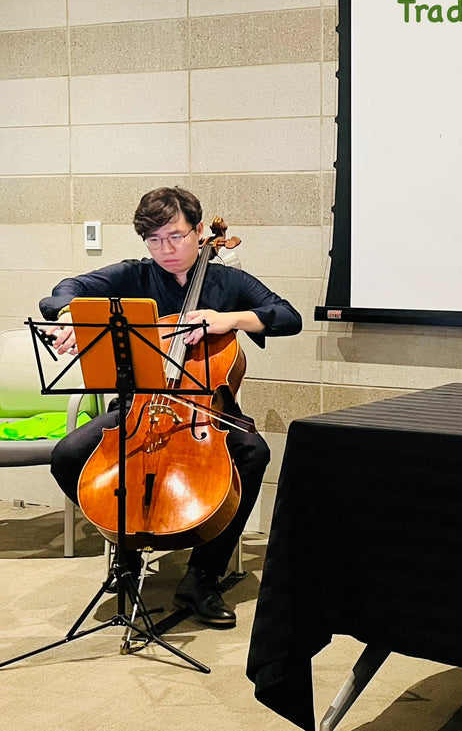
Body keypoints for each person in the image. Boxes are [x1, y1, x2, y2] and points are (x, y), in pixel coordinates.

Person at [40, 187, 302, 628]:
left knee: (254, 453)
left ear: (200, 232)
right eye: (155, 240)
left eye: (177, 237)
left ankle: (203, 574)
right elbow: (68, 289)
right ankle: (125, 549)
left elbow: (288, 316)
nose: (167, 250)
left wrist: (228, 319)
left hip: (207, 412)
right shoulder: (134, 276)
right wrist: (69, 313)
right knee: (66, 456)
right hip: (140, 407)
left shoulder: (227, 282)